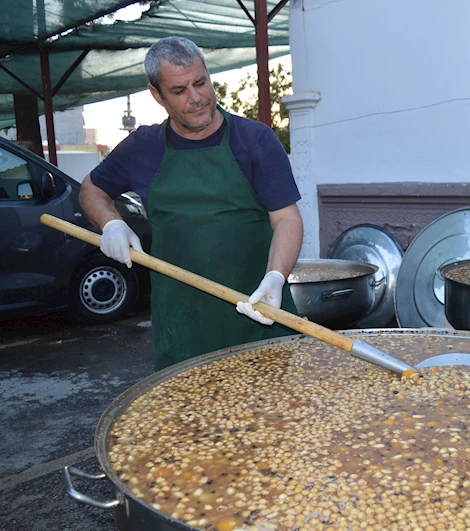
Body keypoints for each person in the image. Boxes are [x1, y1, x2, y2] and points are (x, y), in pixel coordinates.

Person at [79, 36, 303, 371]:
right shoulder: (143, 147)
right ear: (157, 95)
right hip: (183, 328)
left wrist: (275, 276)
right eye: (179, 90)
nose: (196, 98)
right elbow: (91, 188)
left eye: (200, 83)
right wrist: (111, 223)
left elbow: (287, 219)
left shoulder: (254, 140)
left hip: (259, 313)